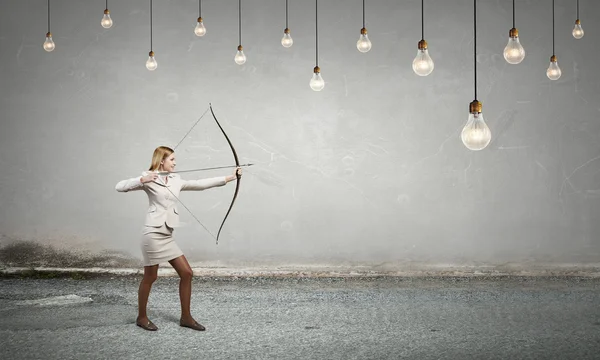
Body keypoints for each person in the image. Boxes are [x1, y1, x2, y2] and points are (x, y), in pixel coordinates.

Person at [115, 145, 241, 331]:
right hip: (152, 233)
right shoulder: (148, 178)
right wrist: (142, 179)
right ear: (161, 160)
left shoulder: (176, 180)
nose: (175, 162)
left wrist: (230, 178)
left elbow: (200, 184)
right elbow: (119, 187)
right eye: (172, 159)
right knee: (151, 276)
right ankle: (141, 317)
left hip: (167, 234)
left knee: (187, 273)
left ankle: (186, 318)